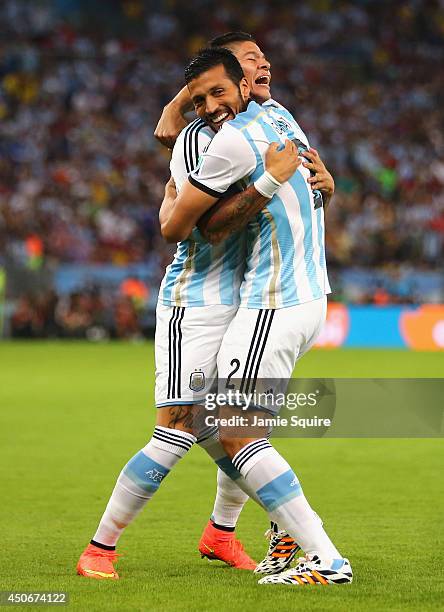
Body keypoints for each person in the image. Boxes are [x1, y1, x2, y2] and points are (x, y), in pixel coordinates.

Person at [75, 67, 300, 581]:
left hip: (245, 302)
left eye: (264, 61)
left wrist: (321, 182)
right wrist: (189, 102)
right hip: (194, 302)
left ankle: (221, 533)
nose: (263, 68)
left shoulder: (268, 126)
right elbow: (191, 226)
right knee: (176, 428)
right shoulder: (201, 139)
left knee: (236, 426)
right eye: (250, 61)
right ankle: (99, 549)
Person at [160, 47, 352, 587]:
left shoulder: (232, 140)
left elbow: (182, 228)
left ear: (240, 86)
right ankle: (257, 530)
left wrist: (174, 196)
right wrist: (327, 184)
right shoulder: (282, 115)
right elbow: (167, 129)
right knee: (226, 423)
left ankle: (324, 558)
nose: (262, 66)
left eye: (221, 90)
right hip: (309, 297)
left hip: (274, 301)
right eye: (201, 98)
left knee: (233, 429)